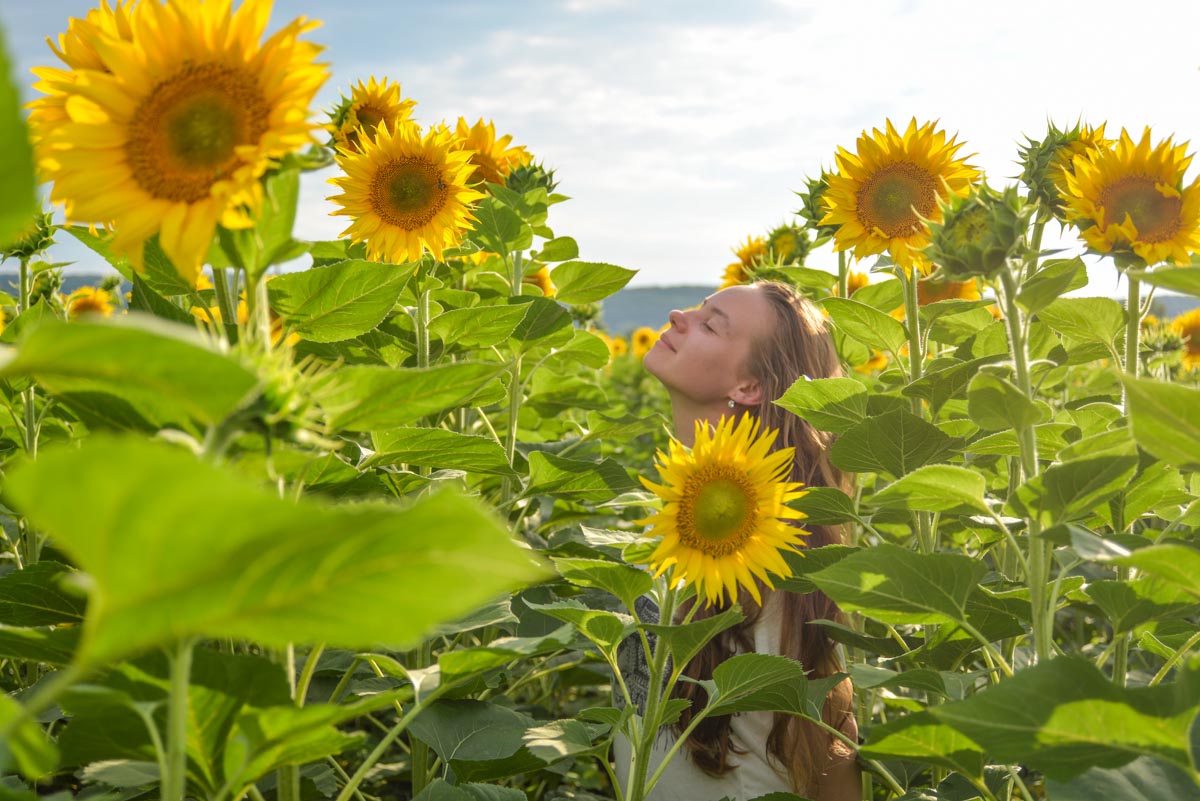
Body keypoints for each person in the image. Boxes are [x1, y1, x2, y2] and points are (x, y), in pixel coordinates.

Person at [612, 281, 861, 801]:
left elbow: (832, 750)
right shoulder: (674, 512)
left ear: (749, 386)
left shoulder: (772, 543)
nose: (679, 315)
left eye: (711, 324)